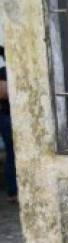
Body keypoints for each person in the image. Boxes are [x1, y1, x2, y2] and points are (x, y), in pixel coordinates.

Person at [0, 46, 17, 204]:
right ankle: (13, 191)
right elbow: (3, 94)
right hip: (8, 117)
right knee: (12, 154)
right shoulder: (4, 72)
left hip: (11, 116)